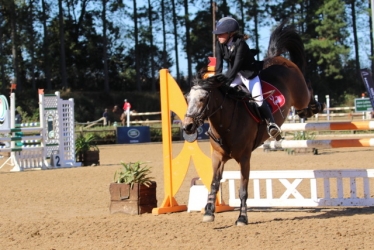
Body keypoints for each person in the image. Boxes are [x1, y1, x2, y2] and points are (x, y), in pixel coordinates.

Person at [213, 16, 281, 140]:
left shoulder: (241, 45)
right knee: (226, 95)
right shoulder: (219, 44)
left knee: (258, 99)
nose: (218, 36)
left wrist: (225, 81)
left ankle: (272, 124)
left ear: (230, 33)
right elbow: (218, 66)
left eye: (221, 33)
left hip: (249, 74)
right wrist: (216, 82)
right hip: (235, 74)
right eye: (217, 34)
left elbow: (236, 66)